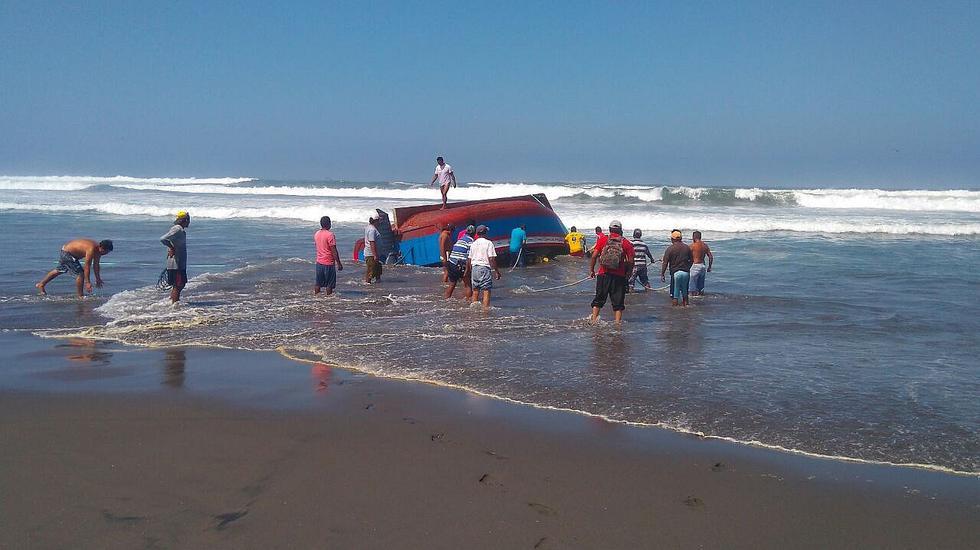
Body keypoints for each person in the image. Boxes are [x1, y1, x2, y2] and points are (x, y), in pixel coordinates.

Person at [588, 220, 635, 324]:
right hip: (619, 276)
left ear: (609, 229)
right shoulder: (626, 243)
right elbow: (631, 261)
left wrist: (591, 270)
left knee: (599, 298)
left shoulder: (603, 239)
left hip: (603, 274)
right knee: (618, 302)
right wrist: (629, 273)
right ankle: (617, 323)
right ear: (621, 230)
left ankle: (594, 320)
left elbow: (594, 256)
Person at [35, 238, 113, 297]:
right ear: (101, 247)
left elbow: (96, 265)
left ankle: (41, 284)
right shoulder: (91, 249)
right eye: (105, 252)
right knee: (80, 273)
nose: (105, 254)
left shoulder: (99, 252)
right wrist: (87, 282)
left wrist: (98, 279)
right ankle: (80, 296)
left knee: (60, 270)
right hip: (67, 253)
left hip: (68, 252)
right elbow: (87, 266)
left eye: (107, 253)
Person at [467, 225, 502, 308]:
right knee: (486, 291)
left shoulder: (473, 244)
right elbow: (491, 258)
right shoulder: (489, 243)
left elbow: (469, 259)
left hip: (474, 268)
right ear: (485, 233)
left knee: (475, 290)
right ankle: (485, 311)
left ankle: (474, 310)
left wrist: (470, 270)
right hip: (484, 268)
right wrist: (497, 271)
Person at [161, 211, 191, 304]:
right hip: (176, 264)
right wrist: (171, 247)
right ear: (185, 220)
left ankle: (172, 302)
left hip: (178, 263)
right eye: (188, 220)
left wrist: (171, 247)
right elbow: (163, 239)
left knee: (178, 285)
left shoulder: (179, 229)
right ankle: (174, 306)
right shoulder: (177, 229)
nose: (189, 222)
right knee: (178, 285)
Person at [660, 229, 693, 306]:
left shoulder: (670, 249)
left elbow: (665, 262)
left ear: (672, 239)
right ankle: (686, 309)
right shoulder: (687, 247)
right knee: (685, 293)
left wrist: (662, 274)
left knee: (675, 294)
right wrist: (688, 268)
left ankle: (675, 311)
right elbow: (691, 260)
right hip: (686, 273)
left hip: (676, 274)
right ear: (681, 238)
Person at [314, 215, 343, 295]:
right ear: (329, 224)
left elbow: (317, 246)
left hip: (319, 262)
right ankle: (329, 301)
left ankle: (316, 298)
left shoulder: (317, 234)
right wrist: (339, 263)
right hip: (328, 263)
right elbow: (334, 251)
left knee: (318, 284)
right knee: (329, 285)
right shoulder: (330, 235)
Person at [446, 225, 476, 299]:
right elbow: (469, 257)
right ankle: (468, 302)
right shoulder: (470, 241)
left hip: (451, 262)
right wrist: (468, 270)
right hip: (459, 264)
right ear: (474, 233)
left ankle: (446, 299)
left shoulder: (461, 239)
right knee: (468, 284)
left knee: (452, 283)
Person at [688, 230, 714, 296]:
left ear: (694, 237)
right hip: (703, 266)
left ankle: (694, 303)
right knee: (701, 288)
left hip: (695, 266)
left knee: (692, 289)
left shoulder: (692, 246)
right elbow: (710, 257)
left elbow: (686, 256)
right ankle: (701, 302)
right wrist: (709, 267)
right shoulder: (705, 245)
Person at [363, 215, 382, 284]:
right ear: (375, 221)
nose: (380, 222)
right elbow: (372, 242)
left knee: (377, 271)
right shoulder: (372, 230)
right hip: (371, 254)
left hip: (373, 253)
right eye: (379, 220)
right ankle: (368, 286)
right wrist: (375, 255)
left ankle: (378, 285)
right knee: (370, 272)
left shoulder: (369, 227)